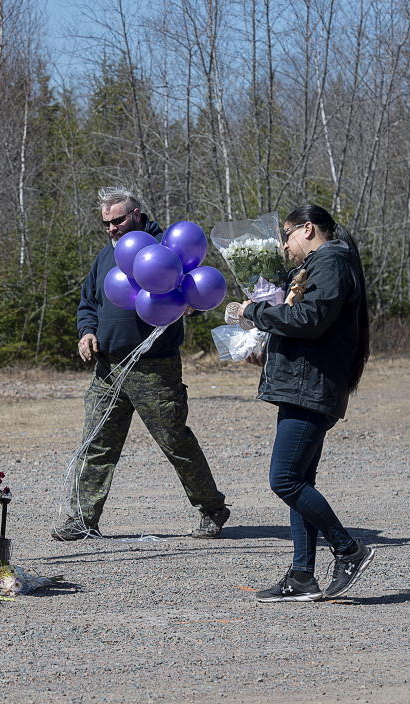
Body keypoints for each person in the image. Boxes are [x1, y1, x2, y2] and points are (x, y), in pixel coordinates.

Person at [51, 186, 230, 541]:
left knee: (174, 441)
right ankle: (83, 519)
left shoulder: (166, 249)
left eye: (117, 220)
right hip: (108, 367)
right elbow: (88, 302)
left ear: (135, 214)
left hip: (154, 368)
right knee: (97, 442)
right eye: (105, 224)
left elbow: (189, 294)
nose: (111, 229)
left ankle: (212, 509)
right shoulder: (106, 257)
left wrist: (188, 304)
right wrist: (86, 332)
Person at [237, 204, 375, 601]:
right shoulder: (329, 263)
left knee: (284, 479)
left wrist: (255, 312)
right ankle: (301, 576)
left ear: (308, 229)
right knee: (300, 481)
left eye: (287, 235)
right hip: (307, 383)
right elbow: (315, 328)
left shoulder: (330, 261)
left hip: (311, 389)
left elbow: (311, 320)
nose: (284, 246)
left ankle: (348, 549)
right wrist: (269, 353)